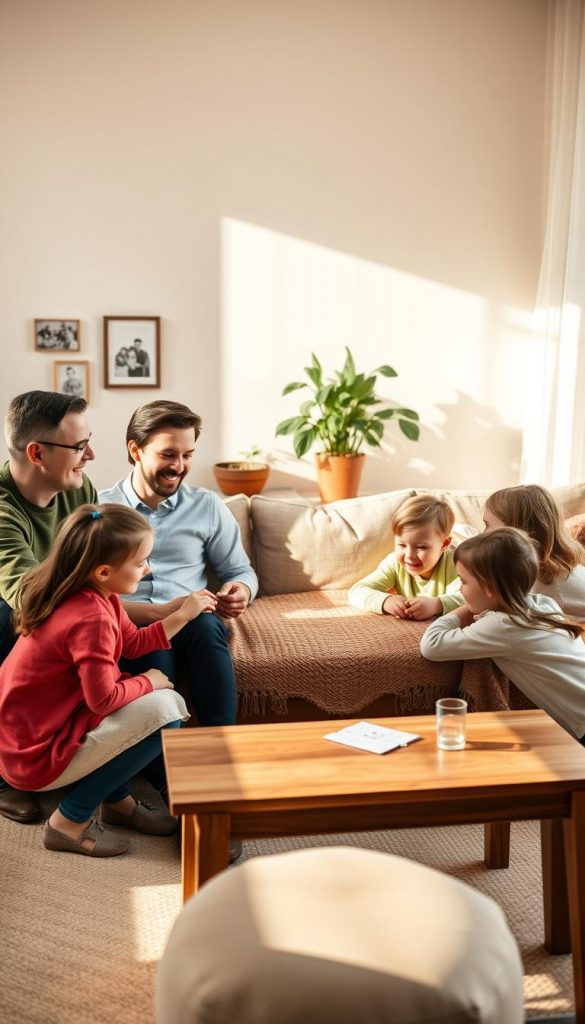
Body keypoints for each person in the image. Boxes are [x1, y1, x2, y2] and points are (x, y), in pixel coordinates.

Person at [0, 503, 217, 857]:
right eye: (141, 561)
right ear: (103, 571)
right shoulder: (90, 617)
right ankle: (69, 822)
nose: (148, 568)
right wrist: (150, 681)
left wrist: (182, 614)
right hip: (34, 755)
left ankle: (117, 802)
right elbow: (102, 700)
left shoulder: (98, 597)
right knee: (167, 710)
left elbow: (133, 642)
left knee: (145, 702)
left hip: (36, 736)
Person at [99, 401, 258, 724]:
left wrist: (239, 590)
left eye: (187, 455)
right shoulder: (100, 510)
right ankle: (161, 763)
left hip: (194, 619)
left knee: (207, 627)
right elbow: (87, 594)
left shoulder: (207, 506)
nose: (179, 466)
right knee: (152, 647)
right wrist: (158, 614)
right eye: (168, 454)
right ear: (136, 450)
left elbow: (240, 571)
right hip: (132, 622)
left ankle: (223, 741)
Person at [0, 391, 97, 823]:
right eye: (79, 447)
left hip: (54, 612)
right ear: (36, 453)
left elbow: (103, 567)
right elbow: (27, 596)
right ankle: (8, 775)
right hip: (14, 619)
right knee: (8, 618)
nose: (90, 455)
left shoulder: (80, 490)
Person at [420, 528, 585, 741]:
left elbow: (431, 645)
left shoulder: (501, 625)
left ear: (489, 587)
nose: (460, 590)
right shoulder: (544, 604)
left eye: (463, 581)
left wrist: (466, 609)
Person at [348, 494, 464, 620]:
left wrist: (437, 605)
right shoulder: (394, 564)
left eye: (421, 547)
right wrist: (386, 601)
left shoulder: (457, 564)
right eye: (402, 545)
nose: (409, 555)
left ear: (444, 544)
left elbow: (472, 598)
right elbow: (357, 591)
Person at [483, 484, 585, 619]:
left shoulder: (544, 580)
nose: (482, 534)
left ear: (517, 532)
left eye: (487, 525)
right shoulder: (554, 565)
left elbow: (509, 621)